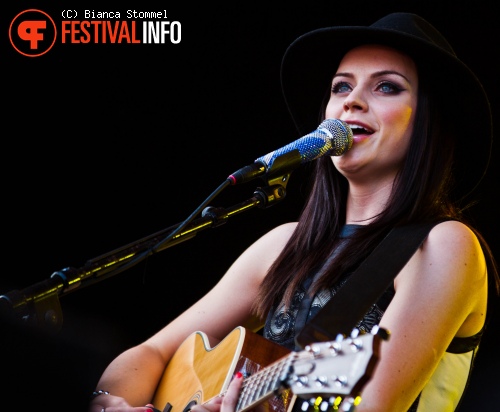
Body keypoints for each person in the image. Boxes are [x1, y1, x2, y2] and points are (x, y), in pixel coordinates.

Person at [88, 12, 499, 412]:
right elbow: (152, 352)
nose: (352, 101)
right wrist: (107, 403)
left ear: (430, 121)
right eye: (340, 87)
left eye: (386, 87)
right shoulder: (283, 244)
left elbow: (377, 405)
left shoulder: (442, 244)